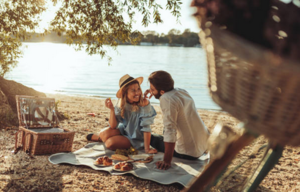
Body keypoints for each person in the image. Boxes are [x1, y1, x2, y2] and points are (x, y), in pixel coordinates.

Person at [144, 70, 210, 170]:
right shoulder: (181, 91)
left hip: (188, 152)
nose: (151, 91)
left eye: (152, 89)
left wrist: (166, 160)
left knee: (150, 138)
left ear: (162, 91)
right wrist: (154, 91)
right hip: (203, 145)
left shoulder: (167, 99)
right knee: (163, 132)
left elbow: (170, 130)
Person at [87, 74, 157, 154]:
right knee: (103, 133)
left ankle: (101, 138)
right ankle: (101, 137)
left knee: (110, 143)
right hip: (124, 131)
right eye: (133, 90)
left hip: (136, 138)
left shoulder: (144, 103)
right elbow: (113, 126)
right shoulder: (122, 103)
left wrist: (147, 149)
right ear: (125, 93)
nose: (137, 92)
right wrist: (112, 110)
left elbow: (146, 128)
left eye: (138, 89)